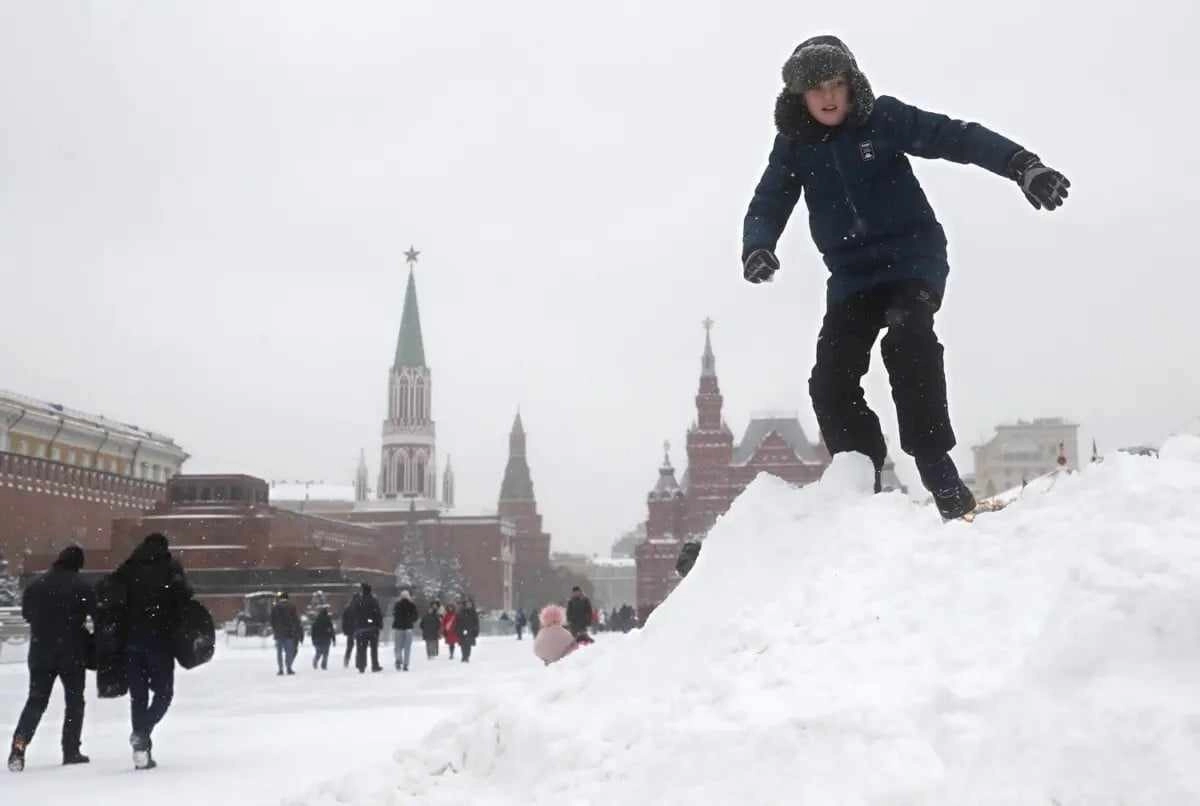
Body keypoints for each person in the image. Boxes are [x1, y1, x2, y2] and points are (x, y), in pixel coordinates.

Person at [743, 36, 1069, 521]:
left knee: (907, 339)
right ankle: (863, 488)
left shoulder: (883, 119)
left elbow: (957, 136)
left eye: (837, 85)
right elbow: (769, 199)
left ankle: (941, 479)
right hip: (852, 280)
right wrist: (758, 246)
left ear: (852, 86)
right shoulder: (794, 146)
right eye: (816, 90)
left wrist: (1022, 165)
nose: (829, 98)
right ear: (799, 97)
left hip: (911, 261)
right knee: (830, 380)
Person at [8, 546, 94, 772]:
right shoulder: (82, 586)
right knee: (74, 702)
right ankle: (70, 750)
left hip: (40, 652)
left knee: (36, 700)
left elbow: (27, 614)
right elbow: (97, 614)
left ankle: (19, 744)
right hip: (72, 653)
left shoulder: (37, 585)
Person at [113, 533, 193, 770]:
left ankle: (141, 752)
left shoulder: (127, 569)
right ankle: (142, 732)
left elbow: (112, 599)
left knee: (138, 698)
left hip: (131, 642)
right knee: (164, 694)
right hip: (160, 641)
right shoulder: (170, 568)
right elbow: (185, 598)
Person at [270, 592, 302, 676]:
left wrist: (275, 629)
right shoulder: (292, 607)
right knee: (289, 652)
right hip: (289, 633)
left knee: (279, 652)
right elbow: (296, 620)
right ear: (287, 598)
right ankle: (289, 668)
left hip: (278, 633)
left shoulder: (275, 607)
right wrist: (295, 630)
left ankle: (280, 669)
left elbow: (272, 621)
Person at [353, 583, 383, 673]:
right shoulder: (373, 601)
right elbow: (378, 614)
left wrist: (356, 625)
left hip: (361, 629)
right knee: (374, 649)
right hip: (372, 628)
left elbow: (354, 614)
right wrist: (379, 624)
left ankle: (361, 666)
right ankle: (375, 665)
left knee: (362, 648)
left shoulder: (358, 601)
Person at [391, 590, 419, 671]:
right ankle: (406, 664)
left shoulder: (397, 605)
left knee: (398, 647)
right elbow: (415, 616)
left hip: (399, 628)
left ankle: (398, 660)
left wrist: (400, 621)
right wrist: (410, 620)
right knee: (407, 648)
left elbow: (395, 615)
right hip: (408, 628)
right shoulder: (412, 605)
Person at [309, 606, 336, 671]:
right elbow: (331, 630)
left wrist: (313, 639)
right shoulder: (328, 620)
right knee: (325, 653)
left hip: (317, 639)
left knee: (318, 652)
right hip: (326, 638)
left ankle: (315, 661)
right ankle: (324, 665)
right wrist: (333, 639)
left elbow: (313, 631)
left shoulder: (316, 621)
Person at [455, 599, 479, 663]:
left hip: (470, 630)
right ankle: (463, 656)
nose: (468, 605)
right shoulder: (461, 612)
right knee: (463, 644)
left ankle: (467, 656)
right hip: (462, 630)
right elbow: (458, 622)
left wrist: (476, 630)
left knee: (468, 644)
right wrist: (458, 630)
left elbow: (476, 622)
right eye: (467, 604)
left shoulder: (473, 612)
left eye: (470, 604)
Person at [340, 598, 357, 668]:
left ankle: (346, 660)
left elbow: (344, 621)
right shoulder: (359, 608)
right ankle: (359, 661)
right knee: (360, 646)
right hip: (357, 629)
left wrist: (345, 630)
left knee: (349, 647)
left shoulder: (347, 609)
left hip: (350, 630)